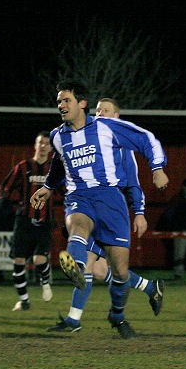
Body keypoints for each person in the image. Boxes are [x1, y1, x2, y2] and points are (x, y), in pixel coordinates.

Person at [30, 81, 169, 339]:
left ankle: (117, 315)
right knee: (78, 224)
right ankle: (76, 267)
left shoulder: (107, 128)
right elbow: (60, 164)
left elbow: (146, 139)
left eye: (66, 100)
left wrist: (158, 168)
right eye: (58, 101)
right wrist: (48, 187)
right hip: (79, 196)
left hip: (110, 199)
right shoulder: (57, 136)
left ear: (81, 103)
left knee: (119, 271)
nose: (61, 105)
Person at [0, 131, 56, 311]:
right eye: (40, 143)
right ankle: (24, 301)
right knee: (18, 260)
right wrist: (3, 201)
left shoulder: (55, 169)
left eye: (47, 143)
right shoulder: (23, 166)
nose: (43, 146)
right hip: (24, 219)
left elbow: (67, 188)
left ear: (51, 148)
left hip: (45, 220)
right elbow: (6, 187)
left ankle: (45, 281)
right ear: (35, 145)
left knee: (39, 259)